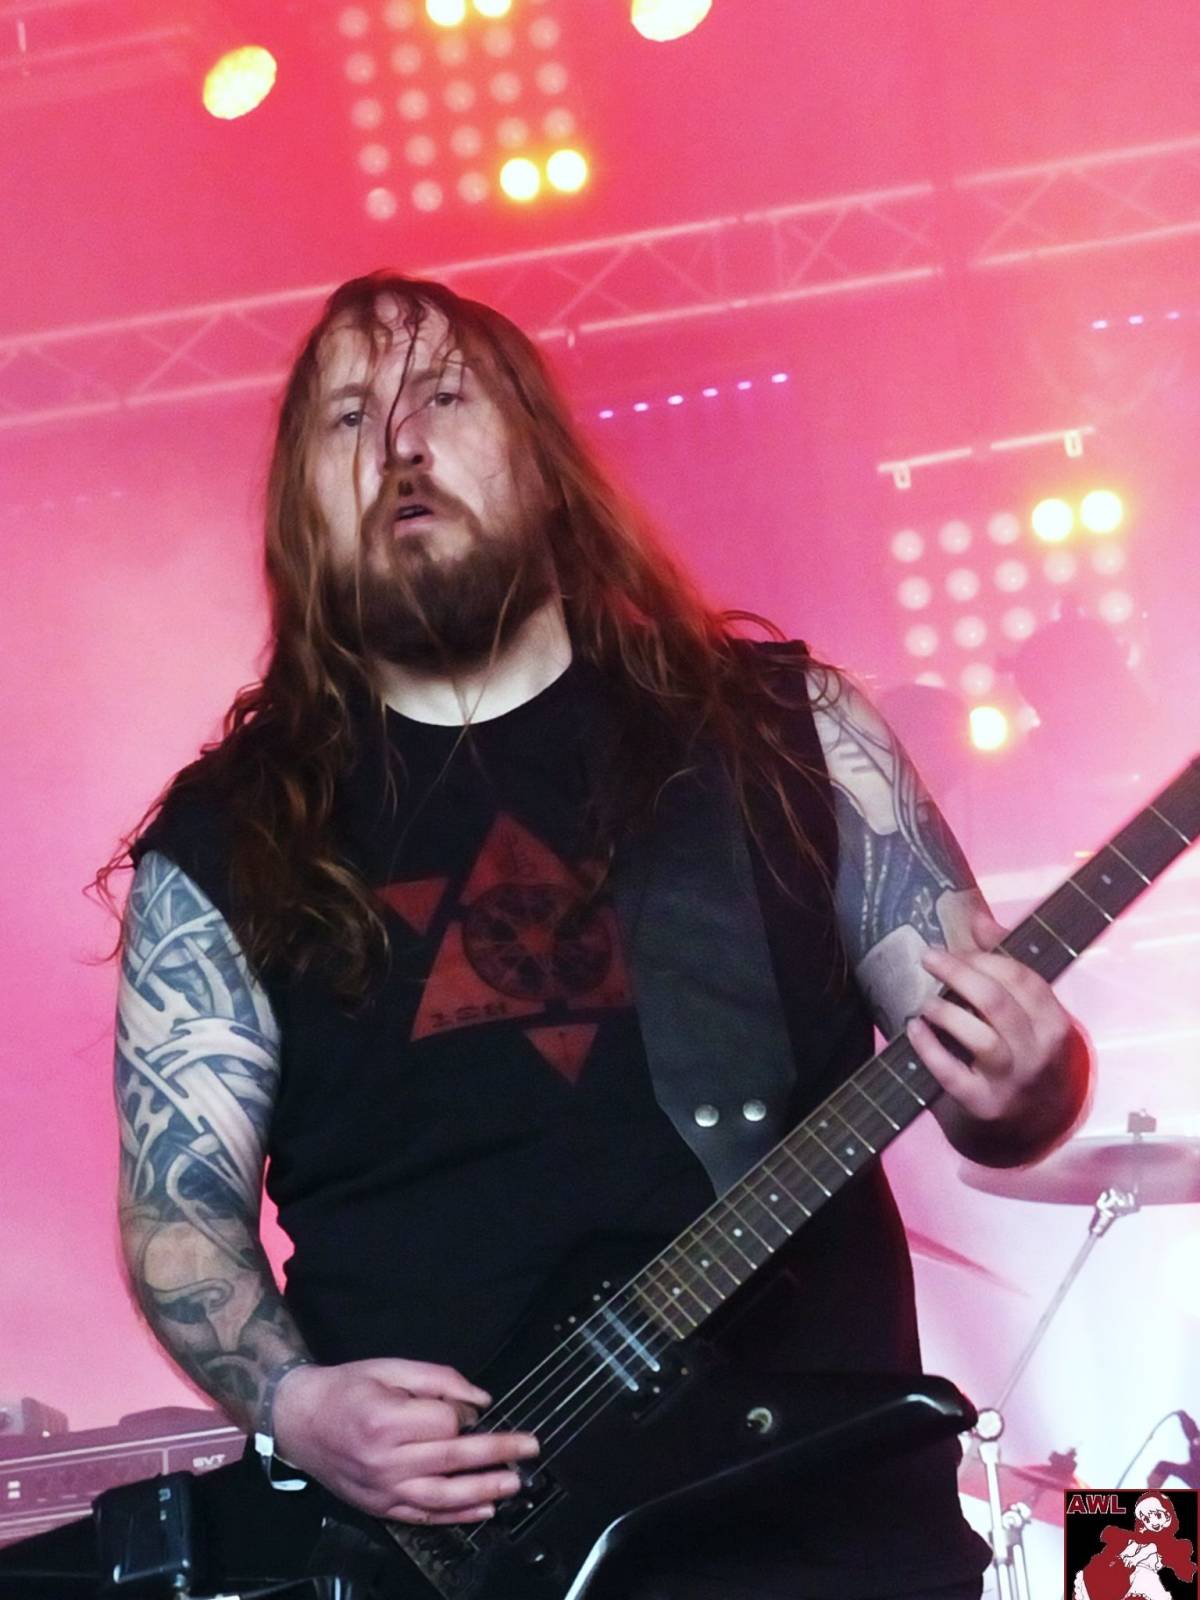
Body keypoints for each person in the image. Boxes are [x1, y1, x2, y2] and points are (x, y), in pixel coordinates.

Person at [102, 270, 1092, 1600]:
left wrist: (1032, 1079)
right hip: (462, 1562)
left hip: (823, 1530)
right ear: (298, 507)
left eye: (444, 398)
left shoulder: (784, 736)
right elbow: (179, 1221)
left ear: (544, 457)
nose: (399, 445)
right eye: (347, 419)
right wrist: (295, 1406)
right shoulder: (230, 841)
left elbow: (994, 1090)